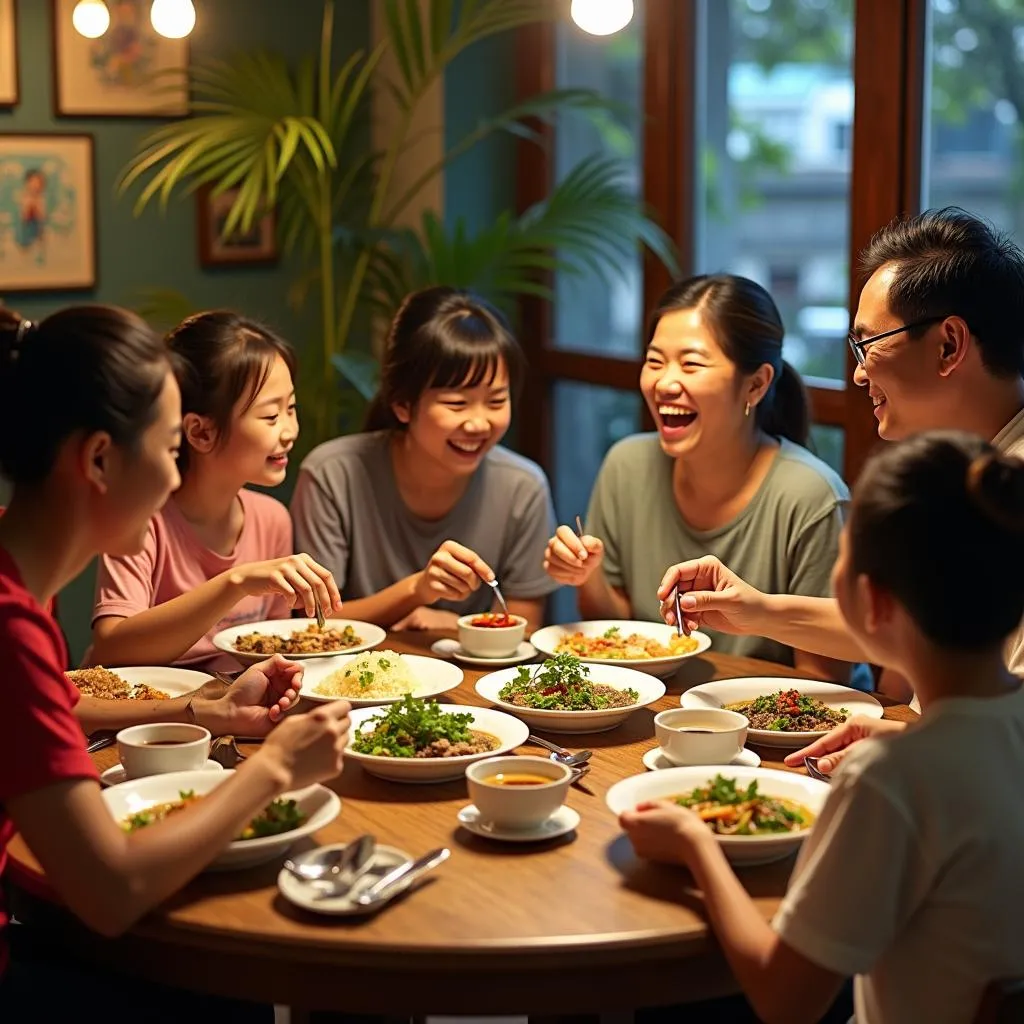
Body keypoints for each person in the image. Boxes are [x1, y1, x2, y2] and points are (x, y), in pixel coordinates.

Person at [0, 306, 351, 1018]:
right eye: (166, 450)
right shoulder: (10, 627)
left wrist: (209, 711)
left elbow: (52, 715)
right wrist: (279, 769)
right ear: (99, 460)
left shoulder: (20, 599)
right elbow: (112, 889)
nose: (172, 479)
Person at [623, 431, 1024, 1024]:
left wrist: (698, 844)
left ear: (872, 602)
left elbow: (786, 1001)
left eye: (843, 554)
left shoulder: (890, 780)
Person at [659, 208, 1024, 745]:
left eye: (867, 344)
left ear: (948, 345)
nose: (856, 372)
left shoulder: (1008, 496)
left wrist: (898, 756)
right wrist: (755, 609)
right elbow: (913, 632)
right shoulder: (960, 471)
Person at [544, 274, 855, 681]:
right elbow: (611, 633)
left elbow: (823, 681)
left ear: (756, 384)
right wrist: (587, 577)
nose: (665, 383)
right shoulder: (627, 464)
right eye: (654, 361)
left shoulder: (811, 496)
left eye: (691, 363)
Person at [292, 286, 557, 632]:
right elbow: (313, 621)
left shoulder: (523, 487)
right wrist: (418, 590)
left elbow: (525, 628)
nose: (479, 423)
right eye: (456, 403)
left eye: (495, 401)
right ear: (403, 404)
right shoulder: (332, 475)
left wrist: (458, 625)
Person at [89, 311, 341, 675]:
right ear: (201, 432)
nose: (289, 431)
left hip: (231, 711)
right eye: (271, 417)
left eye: (291, 409)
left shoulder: (272, 519)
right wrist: (235, 583)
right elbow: (112, 647)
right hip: (139, 720)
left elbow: (273, 648)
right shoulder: (141, 522)